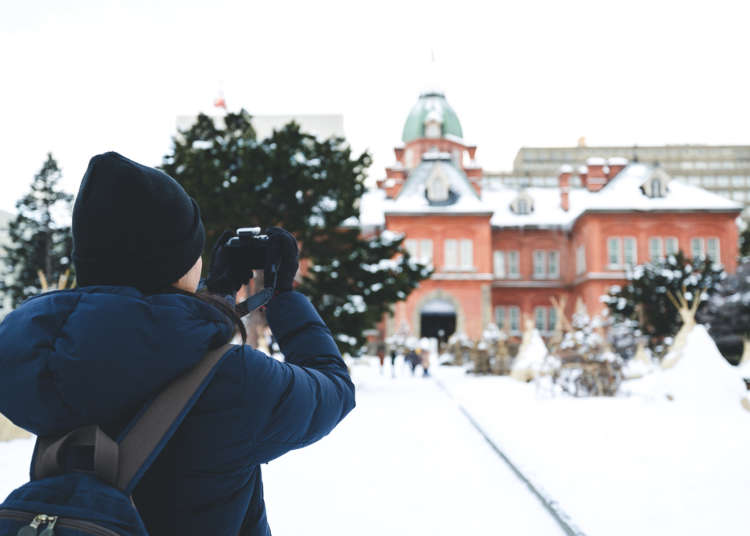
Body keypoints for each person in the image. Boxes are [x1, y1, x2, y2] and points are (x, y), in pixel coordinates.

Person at [0, 152, 355, 536]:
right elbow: (334, 388)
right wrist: (284, 295)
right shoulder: (235, 381)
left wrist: (216, 293)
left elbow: (140, 335)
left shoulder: (41, 360)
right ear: (180, 264)